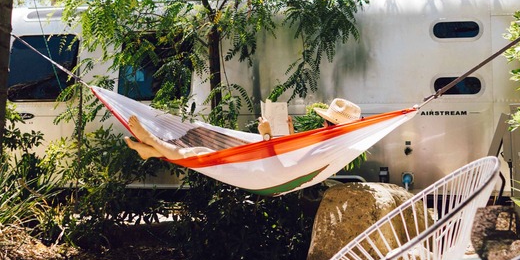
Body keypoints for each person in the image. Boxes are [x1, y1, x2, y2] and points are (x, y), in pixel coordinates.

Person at [125, 97, 361, 160]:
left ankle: (153, 142)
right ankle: (151, 151)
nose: (323, 124)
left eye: (327, 122)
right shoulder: (331, 143)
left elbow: (285, 163)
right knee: (202, 142)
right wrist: (288, 133)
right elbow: (294, 155)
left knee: (197, 154)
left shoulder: (328, 146)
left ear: (333, 125)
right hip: (263, 154)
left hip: (262, 164)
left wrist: (267, 133)